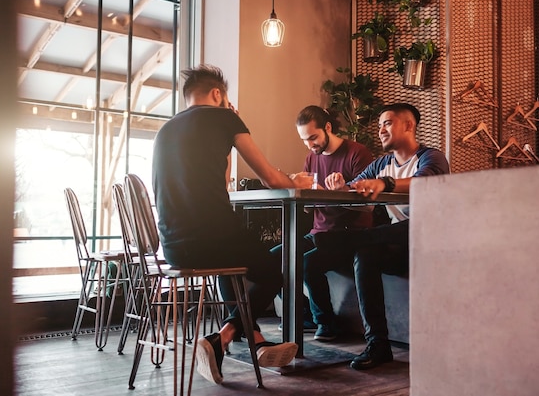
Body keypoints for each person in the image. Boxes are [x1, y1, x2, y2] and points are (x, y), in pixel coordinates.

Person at [152, 65, 313, 384]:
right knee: (277, 271)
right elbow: (269, 176)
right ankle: (222, 337)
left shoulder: (166, 129)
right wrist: (295, 180)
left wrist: (225, 142)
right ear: (217, 94)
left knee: (233, 260)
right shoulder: (225, 117)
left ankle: (255, 339)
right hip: (211, 238)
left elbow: (222, 182)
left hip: (173, 249)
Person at [325, 102, 450, 370]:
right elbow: (355, 189)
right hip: (398, 244)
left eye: (388, 123)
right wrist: (341, 187)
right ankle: (378, 345)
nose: (381, 129)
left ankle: (344, 242)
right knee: (365, 255)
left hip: (431, 239)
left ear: (408, 125)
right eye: (379, 124)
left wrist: (387, 183)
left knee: (377, 236)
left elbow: (424, 183)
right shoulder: (382, 163)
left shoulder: (431, 157)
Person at [271, 105, 374, 341]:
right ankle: (305, 313)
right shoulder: (311, 157)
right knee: (273, 258)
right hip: (319, 232)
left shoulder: (357, 153)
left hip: (349, 234)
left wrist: (340, 190)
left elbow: (368, 204)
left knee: (307, 263)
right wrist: (297, 188)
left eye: (313, 137)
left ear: (328, 127)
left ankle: (327, 323)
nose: (309, 145)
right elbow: (309, 207)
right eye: (304, 140)